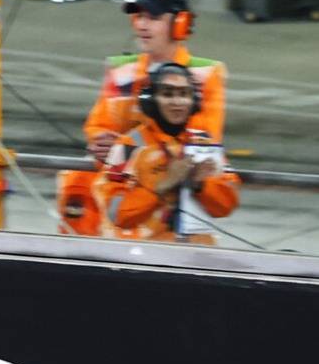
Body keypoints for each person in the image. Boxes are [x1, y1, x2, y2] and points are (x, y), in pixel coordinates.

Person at [62, 0, 227, 235]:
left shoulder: (206, 75)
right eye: (139, 16)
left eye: (153, 17)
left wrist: (132, 150)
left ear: (180, 23)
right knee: (75, 181)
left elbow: (203, 140)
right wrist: (100, 141)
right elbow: (99, 126)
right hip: (128, 192)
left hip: (175, 194)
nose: (141, 25)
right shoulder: (121, 71)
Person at [91, 61, 239, 245]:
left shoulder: (205, 143)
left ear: (194, 101)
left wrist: (201, 185)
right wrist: (162, 185)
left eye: (184, 94)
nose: (177, 102)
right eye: (168, 94)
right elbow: (115, 214)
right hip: (143, 255)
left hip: (197, 255)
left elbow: (227, 206)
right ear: (151, 100)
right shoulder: (128, 146)